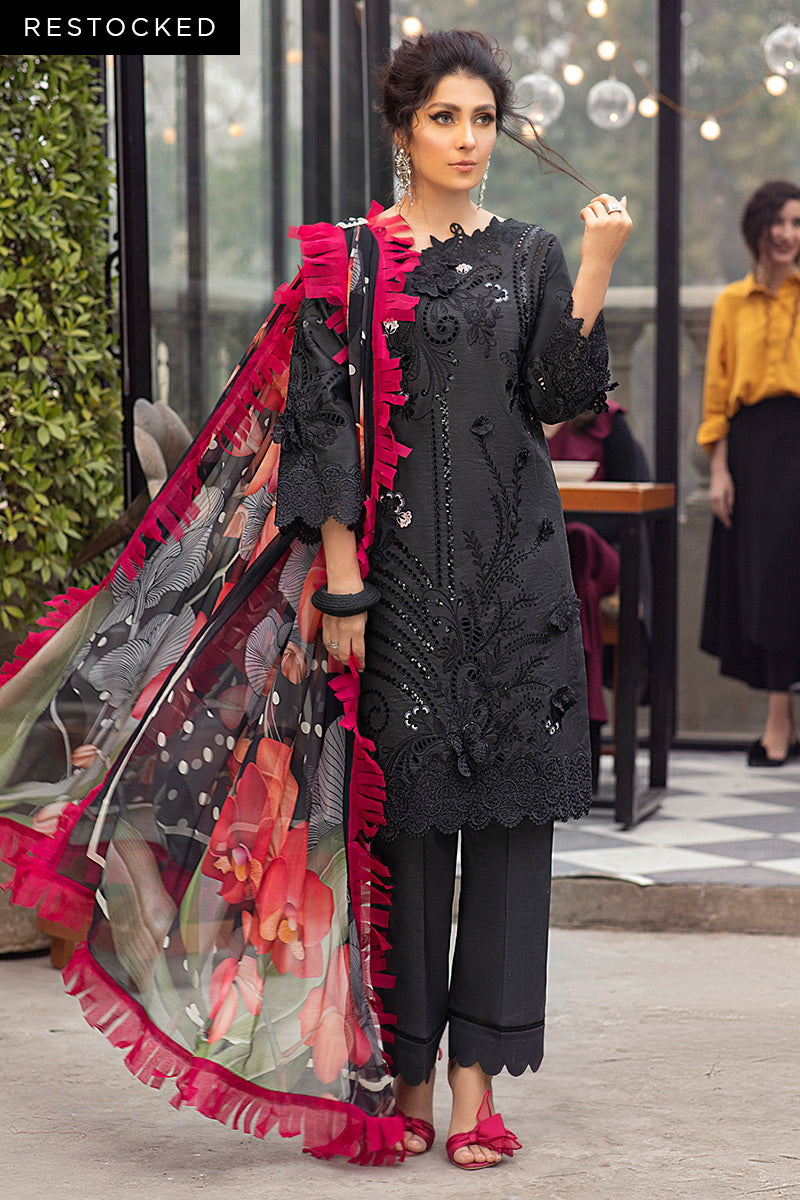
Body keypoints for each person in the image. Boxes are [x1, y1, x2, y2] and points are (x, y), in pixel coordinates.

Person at [0, 29, 630, 1170]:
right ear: (403, 130)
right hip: (401, 591)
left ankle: (478, 1086)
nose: (467, 140)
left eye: (483, 120)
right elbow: (320, 426)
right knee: (408, 833)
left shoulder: (532, 252)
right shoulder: (351, 260)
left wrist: (595, 265)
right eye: (444, 118)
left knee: (507, 836)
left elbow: (555, 396)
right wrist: (345, 584)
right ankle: (407, 1075)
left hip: (519, 586)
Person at [698, 180, 800, 767]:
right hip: (754, 450)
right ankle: (779, 721)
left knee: (790, 577)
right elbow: (717, 394)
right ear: (758, 228)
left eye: (796, 223)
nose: (787, 234)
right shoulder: (731, 304)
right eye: (778, 222)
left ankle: (780, 724)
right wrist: (719, 469)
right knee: (767, 582)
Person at [544, 403, 651, 789]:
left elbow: (630, 511)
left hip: (603, 558)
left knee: (579, 543)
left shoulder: (608, 422)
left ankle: (576, 737)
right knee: (577, 579)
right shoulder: (508, 415)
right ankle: (584, 734)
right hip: (543, 565)